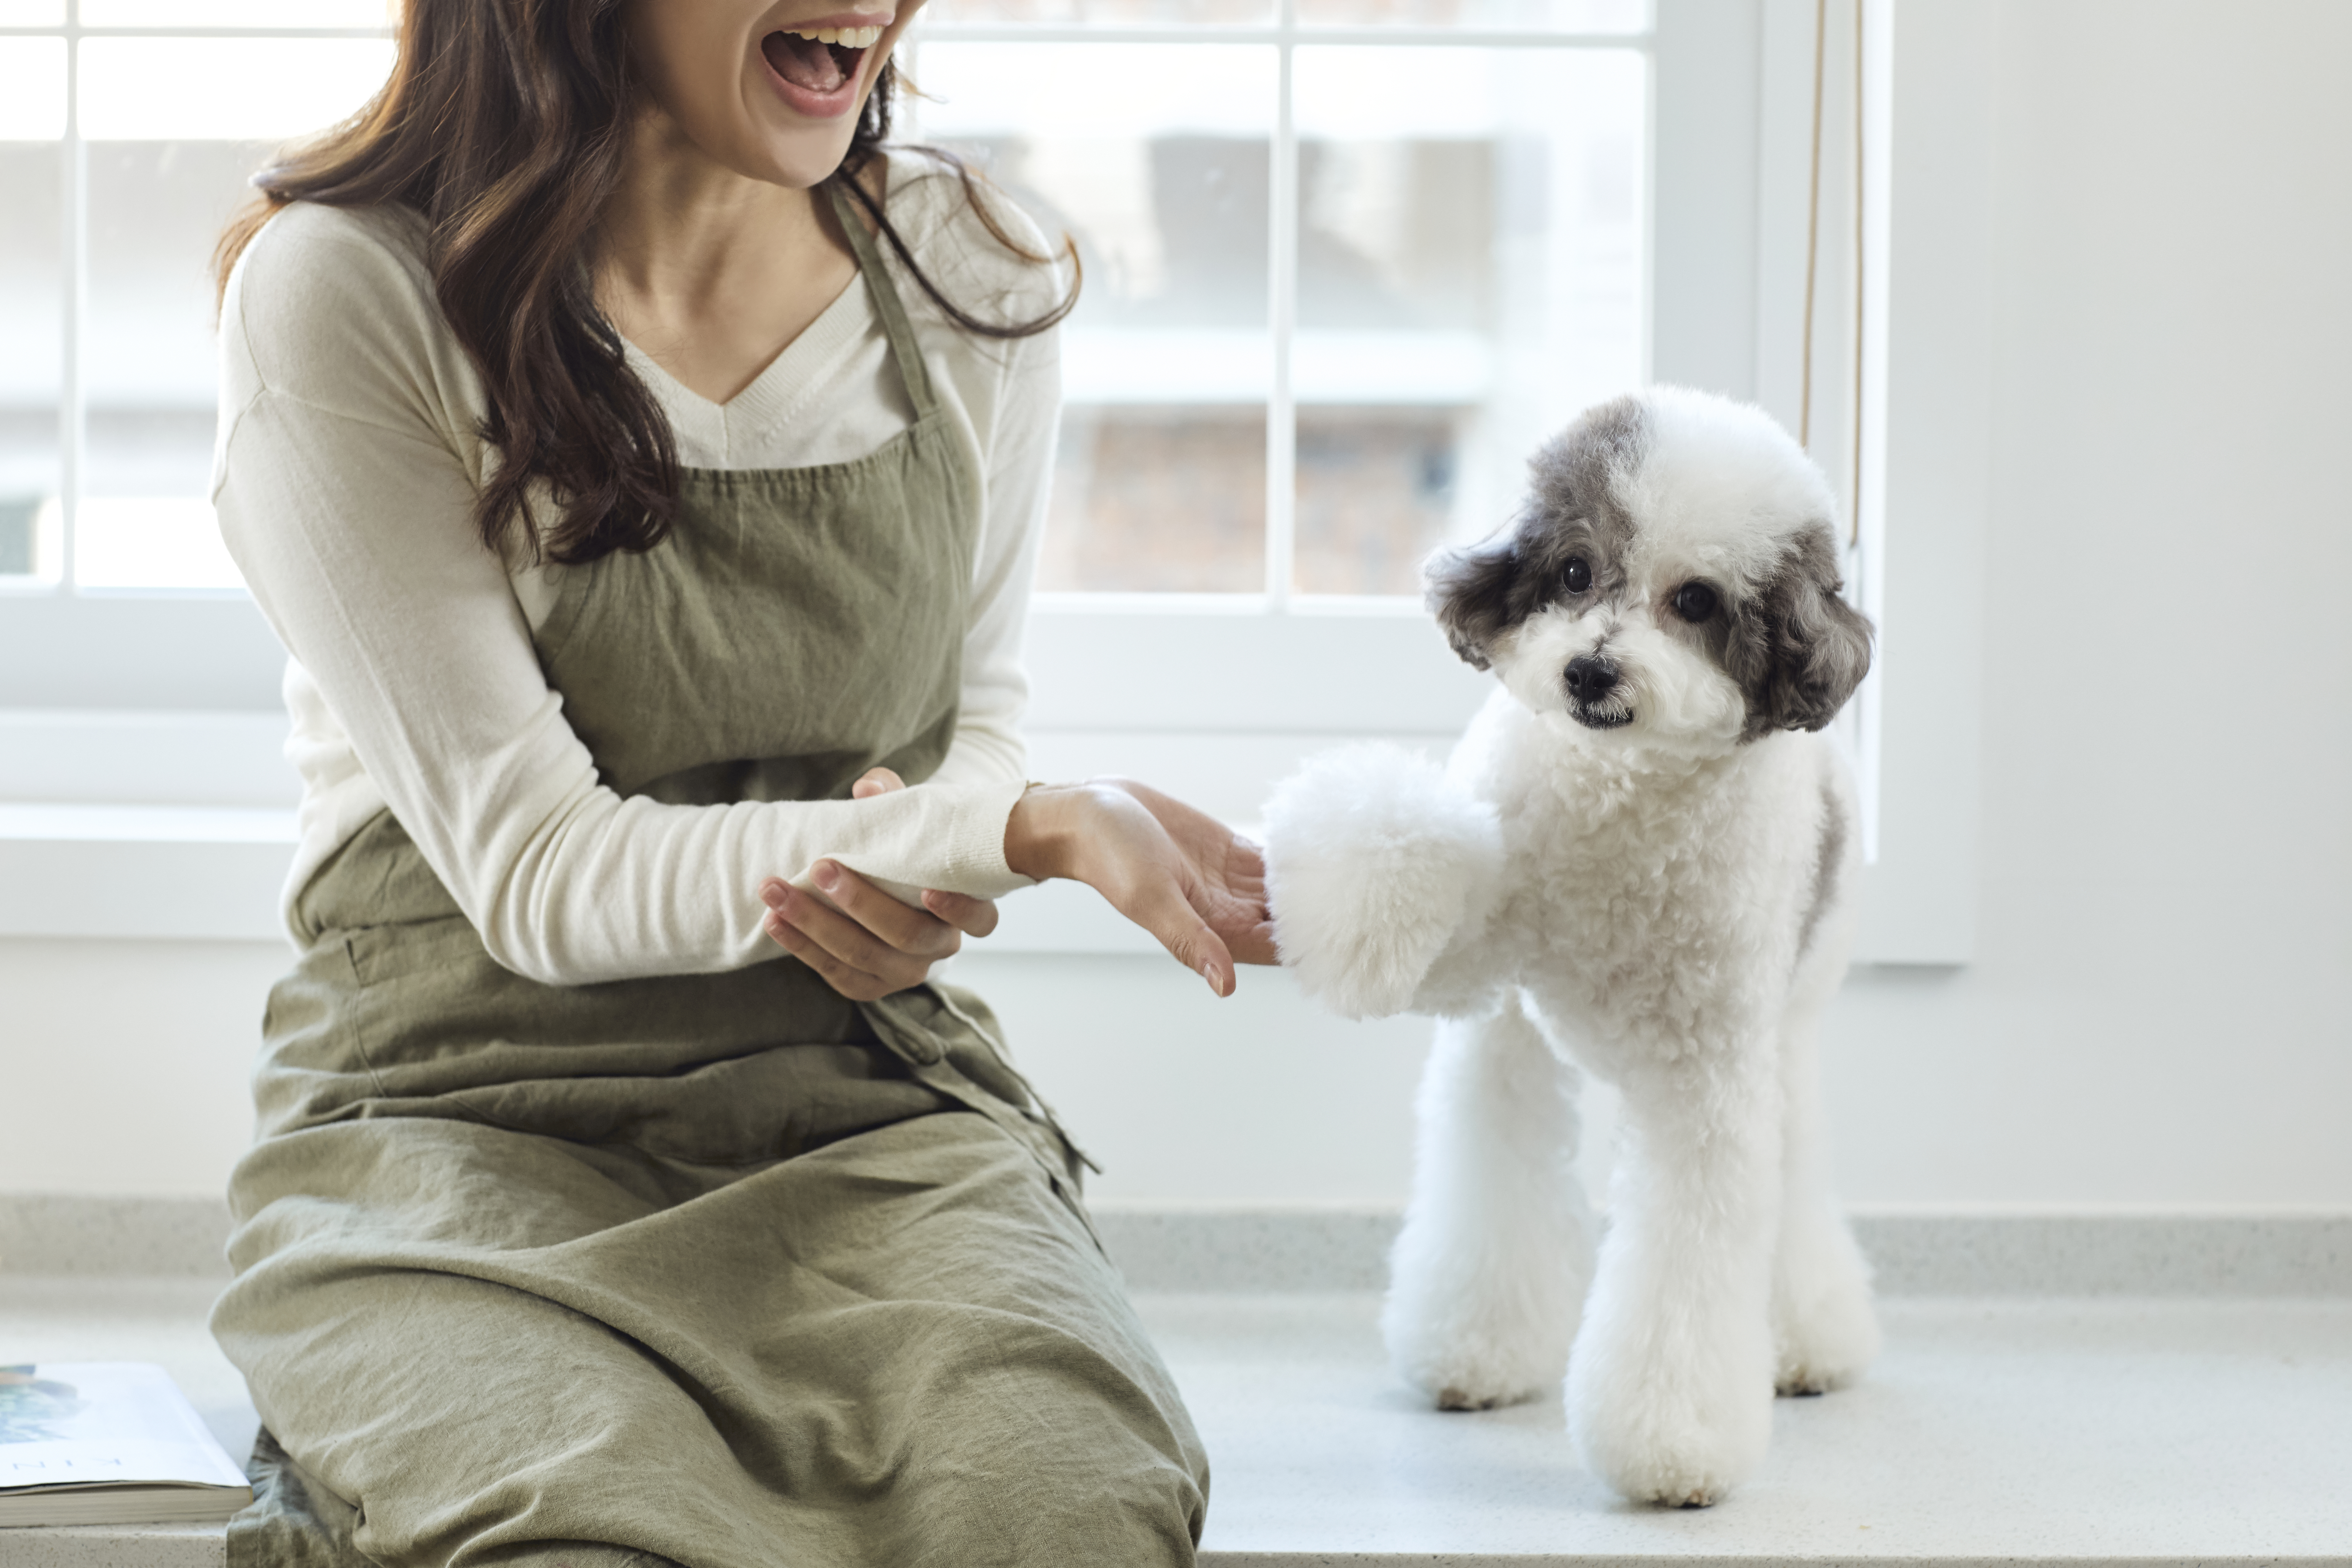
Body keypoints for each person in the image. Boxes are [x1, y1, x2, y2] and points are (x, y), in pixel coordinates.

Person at [205, 3, 1276, 1564]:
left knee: (1063, 1508)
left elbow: (973, 723)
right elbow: (540, 869)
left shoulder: (970, 266)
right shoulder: (348, 289)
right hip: (454, 1132)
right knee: (589, 1536)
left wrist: (928, 860)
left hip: (864, 1111)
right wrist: (1008, 832)